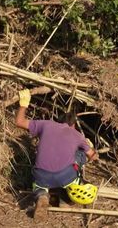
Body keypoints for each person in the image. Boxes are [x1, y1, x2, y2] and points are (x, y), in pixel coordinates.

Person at [15, 89, 99, 220]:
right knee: (80, 155)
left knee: (39, 186)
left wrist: (24, 104)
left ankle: (42, 195)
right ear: (73, 125)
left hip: (42, 175)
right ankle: (65, 200)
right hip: (65, 176)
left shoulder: (45, 124)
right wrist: (90, 147)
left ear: (58, 121)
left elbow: (19, 122)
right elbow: (92, 156)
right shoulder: (77, 135)